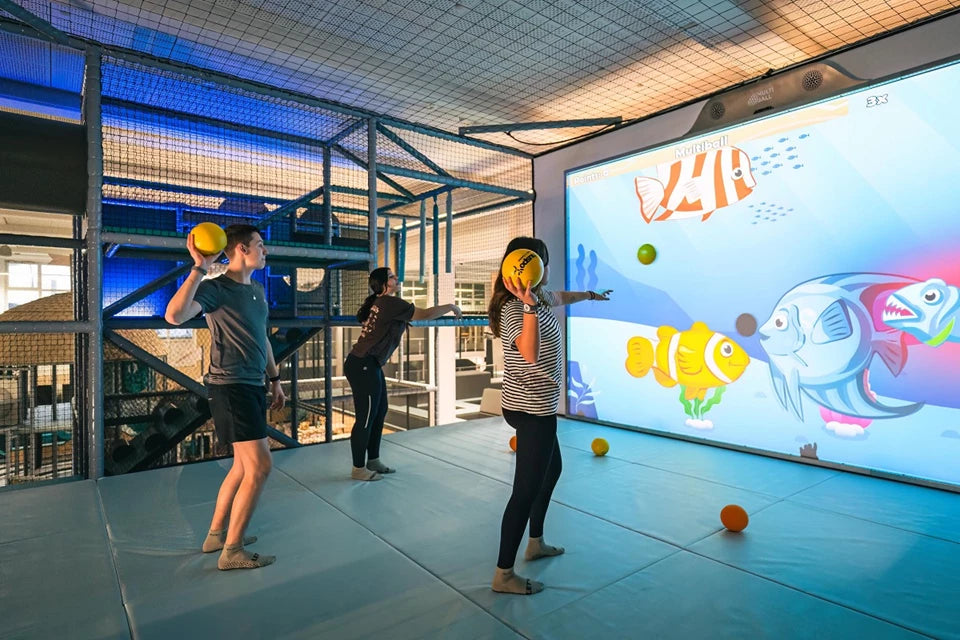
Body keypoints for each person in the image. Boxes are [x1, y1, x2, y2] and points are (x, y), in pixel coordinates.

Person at [487, 236, 611, 595]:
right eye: (543, 262)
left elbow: (562, 297)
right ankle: (503, 574)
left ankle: (536, 542)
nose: (547, 269)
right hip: (530, 410)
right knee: (524, 492)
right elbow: (529, 352)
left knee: (551, 470)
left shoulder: (539, 296)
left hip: (536, 406)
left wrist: (590, 295)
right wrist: (528, 307)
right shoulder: (515, 308)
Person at [164, 223, 285, 571]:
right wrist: (199, 268)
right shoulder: (215, 288)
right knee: (260, 466)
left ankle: (217, 536)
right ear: (241, 250)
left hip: (252, 385)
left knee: (242, 466)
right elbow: (174, 316)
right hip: (231, 387)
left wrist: (275, 379)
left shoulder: (257, 290)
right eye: (259, 245)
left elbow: (262, 338)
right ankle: (232, 551)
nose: (265, 250)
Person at [346, 267, 461, 480]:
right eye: (391, 276)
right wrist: (450, 306)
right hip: (363, 364)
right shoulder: (389, 302)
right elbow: (425, 314)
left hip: (368, 364)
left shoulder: (381, 303)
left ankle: (373, 460)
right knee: (366, 417)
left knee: (380, 411)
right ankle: (358, 468)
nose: (396, 278)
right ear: (383, 284)